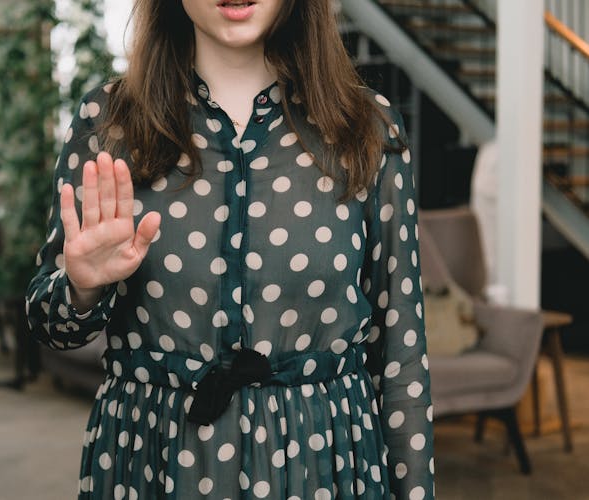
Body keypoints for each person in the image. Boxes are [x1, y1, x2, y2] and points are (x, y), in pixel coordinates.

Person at [26, 0, 434, 498]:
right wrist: (82, 287)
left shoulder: (366, 129)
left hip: (322, 462)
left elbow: (402, 354)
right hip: (154, 460)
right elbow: (51, 324)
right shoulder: (107, 122)